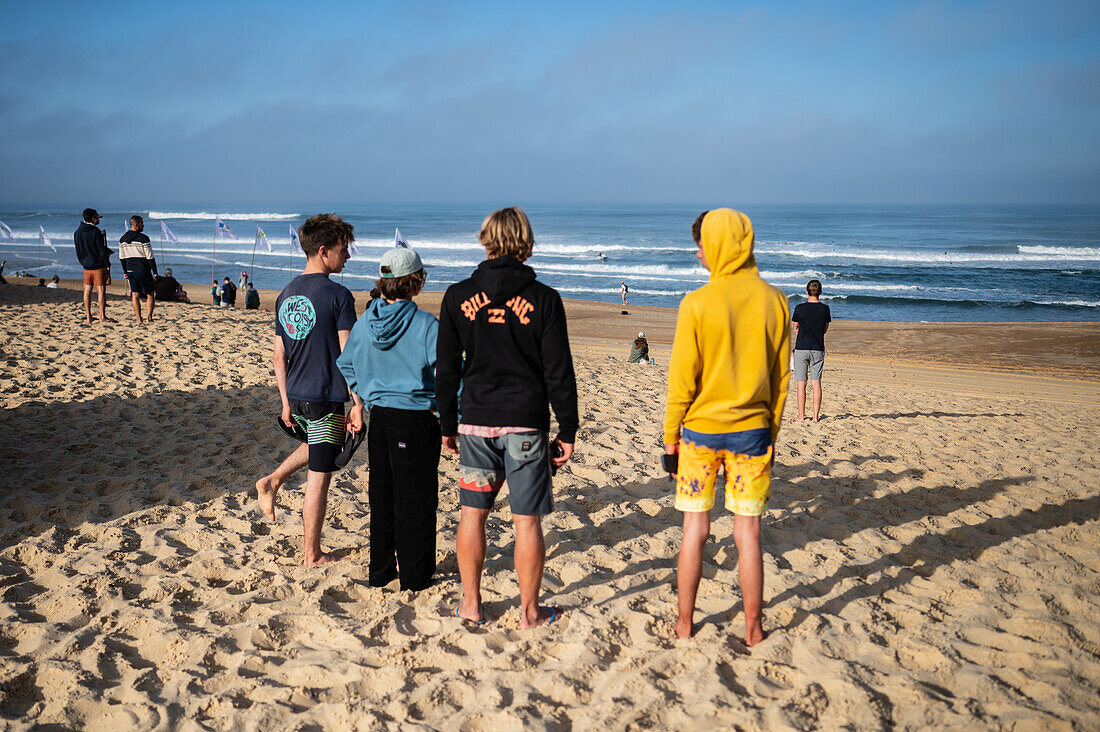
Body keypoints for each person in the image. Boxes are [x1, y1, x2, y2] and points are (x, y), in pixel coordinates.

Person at [437, 207, 578, 628]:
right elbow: (558, 372)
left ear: (485, 240)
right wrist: (567, 428)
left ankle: (472, 604)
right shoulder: (544, 299)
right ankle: (530, 612)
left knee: (472, 513)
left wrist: (448, 424)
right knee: (526, 520)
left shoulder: (458, 296)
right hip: (525, 424)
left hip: (476, 421)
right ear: (526, 243)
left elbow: (446, 370)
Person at [664, 209, 790, 646]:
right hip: (753, 432)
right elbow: (781, 379)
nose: (699, 252)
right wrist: (769, 429)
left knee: (695, 530)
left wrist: (669, 436)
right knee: (748, 532)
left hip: (699, 434)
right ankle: (753, 629)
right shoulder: (775, 300)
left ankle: (684, 623)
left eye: (702, 243)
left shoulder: (697, 303)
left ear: (719, 244)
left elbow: (682, 380)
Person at [255, 213, 359, 566]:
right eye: (344, 250)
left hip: (298, 395)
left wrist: (285, 402)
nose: (348, 256)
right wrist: (358, 401)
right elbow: (348, 354)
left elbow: (278, 355)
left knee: (315, 445)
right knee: (320, 477)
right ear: (324, 250)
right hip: (326, 396)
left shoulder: (286, 293)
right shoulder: (339, 295)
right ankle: (312, 554)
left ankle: (272, 480)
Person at [337, 246, 441, 591]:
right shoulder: (426, 325)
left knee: (382, 498)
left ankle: (381, 572)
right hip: (415, 418)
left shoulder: (366, 322)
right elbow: (450, 374)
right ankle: (415, 578)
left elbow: (346, 363)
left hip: (380, 418)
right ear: (416, 282)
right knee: (417, 500)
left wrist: (362, 397)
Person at [792, 279, 831, 422]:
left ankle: (801, 416)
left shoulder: (799, 308)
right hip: (817, 348)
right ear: (820, 292)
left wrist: (799, 331)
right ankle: (815, 417)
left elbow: (795, 326)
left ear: (806, 291)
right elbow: (825, 329)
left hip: (801, 347)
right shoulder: (825, 309)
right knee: (816, 383)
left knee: (801, 383)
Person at [74, 208, 115, 323]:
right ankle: (102, 316)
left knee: (87, 290)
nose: (98, 219)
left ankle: (88, 316)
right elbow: (101, 251)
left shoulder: (77, 232)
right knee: (101, 290)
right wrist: (107, 263)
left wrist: (82, 262)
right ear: (92, 218)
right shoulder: (96, 232)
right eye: (97, 217)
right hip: (98, 265)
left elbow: (78, 251)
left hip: (86, 265)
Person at [119, 215, 158, 324]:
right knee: (150, 293)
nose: (143, 225)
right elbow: (150, 257)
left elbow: (122, 258)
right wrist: (155, 272)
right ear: (136, 225)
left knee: (135, 294)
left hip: (130, 269)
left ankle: (139, 319)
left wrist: (125, 271)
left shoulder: (122, 239)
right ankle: (149, 318)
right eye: (141, 223)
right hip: (143, 269)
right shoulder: (144, 239)